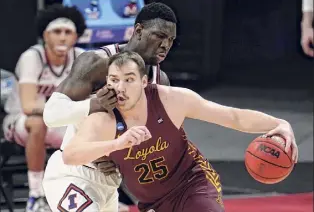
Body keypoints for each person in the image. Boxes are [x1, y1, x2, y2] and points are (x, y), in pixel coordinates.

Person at [55, 51, 298, 212]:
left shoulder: (172, 100)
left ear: (144, 81)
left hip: (192, 182)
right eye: (114, 80)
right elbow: (71, 154)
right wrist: (116, 144)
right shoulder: (103, 118)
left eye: (128, 79)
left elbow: (233, 117)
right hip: (152, 202)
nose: (121, 87)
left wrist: (279, 124)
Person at [42, 2, 177, 209]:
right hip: (73, 173)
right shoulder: (96, 63)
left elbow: (157, 140)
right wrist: (93, 104)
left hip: (110, 184)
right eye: (159, 36)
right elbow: (51, 115)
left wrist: (123, 158)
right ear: (138, 30)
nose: (165, 45)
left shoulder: (160, 81)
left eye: (170, 40)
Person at [2, 4, 86, 212]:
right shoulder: (33, 57)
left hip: (60, 123)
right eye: (57, 32)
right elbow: (29, 106)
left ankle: (87, 191)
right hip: (20, 123)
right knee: (38, 122)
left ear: (76, 37)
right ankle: (36, 195)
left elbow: (89, 103)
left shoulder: (82, 58)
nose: (63, 37)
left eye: (68, 32)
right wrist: (68, 107)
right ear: (45, 36)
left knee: (94, 124)